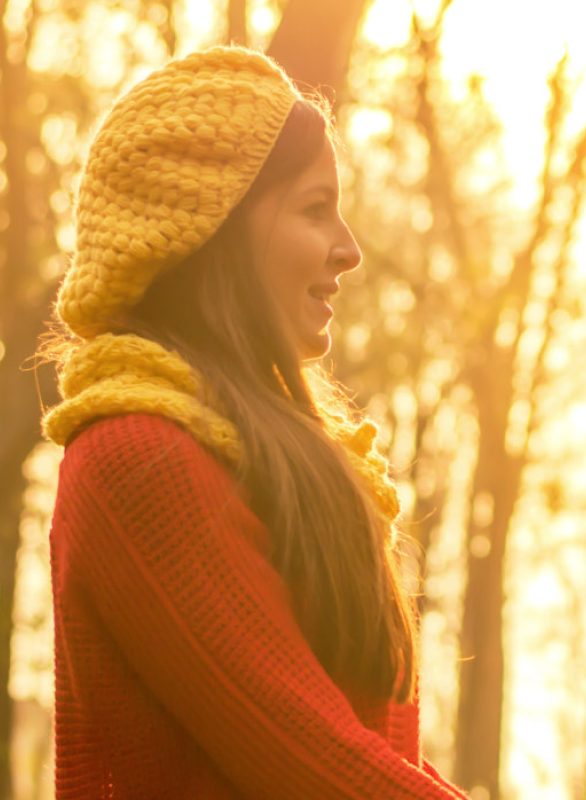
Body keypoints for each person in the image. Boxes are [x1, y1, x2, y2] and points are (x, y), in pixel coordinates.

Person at [39, 47, 466, 798]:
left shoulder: (298, 464)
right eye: (313, 209)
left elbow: (375, 759)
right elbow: (314, 763)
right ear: (216, 231)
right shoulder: (134, 461)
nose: (349, 249)